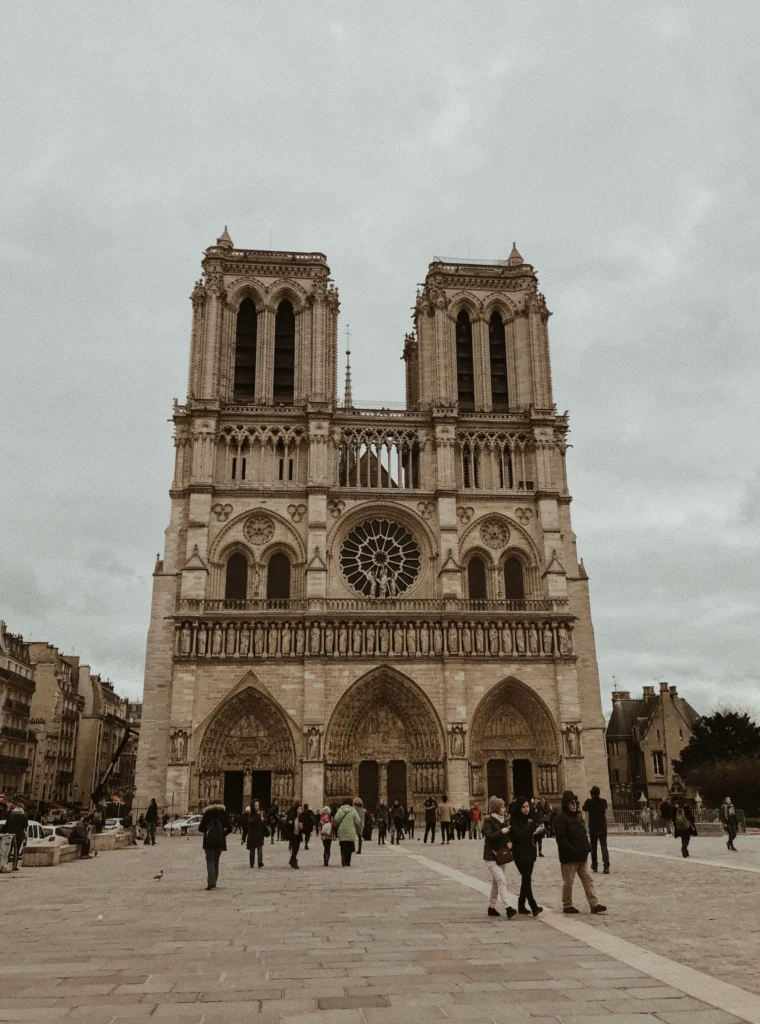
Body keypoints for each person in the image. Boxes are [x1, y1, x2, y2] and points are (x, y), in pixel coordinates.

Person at [553, 791, 606, 914]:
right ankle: (567, 905)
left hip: (582, 856)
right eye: (572, 803)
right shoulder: (560, 819)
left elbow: (583, 833)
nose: (574, 805)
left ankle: (594, 904)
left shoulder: (578, 816)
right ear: (566, 804)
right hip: (569, 857)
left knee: (588, 880)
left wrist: (587, 846)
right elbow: (561, 839)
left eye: (575, 803)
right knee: (568, 883)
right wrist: (572, 849)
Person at [482, 796, 517, 919]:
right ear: (496, 808)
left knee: (496, 883)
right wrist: (502, 831)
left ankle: (491, 907)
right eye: (502, 806)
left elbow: (505, 837)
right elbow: (490, 837)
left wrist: (508, 842)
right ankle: (508, 907)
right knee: (501, 880)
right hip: (491, 856)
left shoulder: (503, 821)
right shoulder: (488, 821)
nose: (504, 808)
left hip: (501, 856)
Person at [509, 796, 544, 916]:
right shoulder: (514, 821)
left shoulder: (531, 819)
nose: (526, 809)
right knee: (527, 879)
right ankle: (533, 906)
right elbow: (519, 835)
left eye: (527, 806)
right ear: (519, 808)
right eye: (523, 807)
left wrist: (539, 832)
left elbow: (533, 836)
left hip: (530, 851)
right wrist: (530, 826)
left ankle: (521, 905)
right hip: (519, 853)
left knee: (526, 880)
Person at [199, 801, 231, 889]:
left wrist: (207, 832)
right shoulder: (223, 813)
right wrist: (222, 834)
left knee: (210, 861)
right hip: (220, 842)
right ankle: (214, 881)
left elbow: (200, 828)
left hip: (209, 841)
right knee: (216, 862)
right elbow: (230, 828)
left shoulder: (208, 813)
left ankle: (211, 882)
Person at [582, 786, 610, 874]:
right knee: (604, 846)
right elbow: (605, 807)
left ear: (591, 794)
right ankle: (606, 867)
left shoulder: (589, 802)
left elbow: (584, 808)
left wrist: (588, 799)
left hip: (593, 828)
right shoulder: (603, 801)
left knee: (594, 847)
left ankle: (594, 865)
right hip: (602, 827)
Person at [1, 799, 28, 870]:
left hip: (9, 834)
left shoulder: (11, 815)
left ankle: (5, 864)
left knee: (8, 850)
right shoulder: (23, 816)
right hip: (19, 835)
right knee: (16, 850)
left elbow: (6, 824)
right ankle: (14, 866)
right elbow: (25, 825)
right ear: (22, 808)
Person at [334, 799, 362, 866]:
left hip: (342, 831)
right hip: (350, 830)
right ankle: (348, 861)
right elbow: (358, 821)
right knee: (349, 846)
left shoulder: (340, 810)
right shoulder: (353, 811)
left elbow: (336, 820)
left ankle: (343, 855)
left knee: (343, 845)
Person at [246, 800, 266, 868]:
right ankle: (251, 863)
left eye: (258, 805)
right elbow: (250, 822)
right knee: (252, 849)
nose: (257, 807)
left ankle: (260, 863)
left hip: (259, 832)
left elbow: (264, 822)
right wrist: (257, 815)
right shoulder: (251, 813)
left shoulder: (261, 813)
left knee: (260, 848)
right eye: (255, 806)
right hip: (252, 833)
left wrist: (263, 820)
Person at [285, 803, 303, 869]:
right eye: (299, 808)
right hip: (292, 834)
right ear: (296, 809)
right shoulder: (292, 816)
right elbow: (287, 823)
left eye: (301, 808)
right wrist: (290, 823)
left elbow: (303, 826)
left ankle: (291, 860)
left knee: (297, 848)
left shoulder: (301, 817)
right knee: (294, 848)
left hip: (298, 834)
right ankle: (295, 863)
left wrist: (302, 827)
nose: (300, 809)